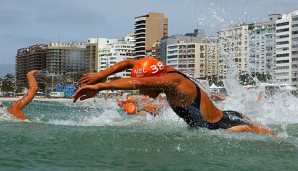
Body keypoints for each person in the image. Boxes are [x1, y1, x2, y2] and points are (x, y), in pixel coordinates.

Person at [73, 58, 276, 136]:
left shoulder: (173, 82)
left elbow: (138, 83)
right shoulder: (163, 70)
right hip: (227, 115)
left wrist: (99, 86)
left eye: (148, 86)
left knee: (277, 139)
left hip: (226, 127)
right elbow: (130, 63)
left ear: (156, 79)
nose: (144, 93)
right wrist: (102, 73)